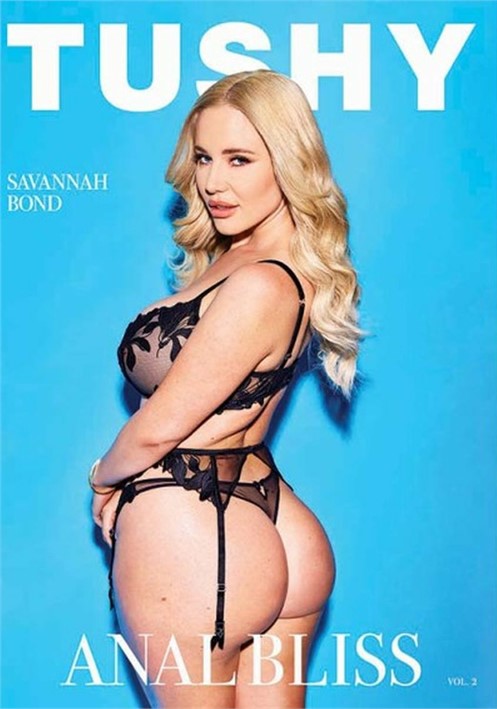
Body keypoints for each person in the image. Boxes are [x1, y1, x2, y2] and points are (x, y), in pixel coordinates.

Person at [89, 69, 364, 708]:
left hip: (199, 533)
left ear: (289, 161)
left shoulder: (261, 282)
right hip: (267, 521)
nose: (213, 181)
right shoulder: (257, 262)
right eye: (204, 158)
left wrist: (103, 478)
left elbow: (158, 428)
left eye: (239, 159)